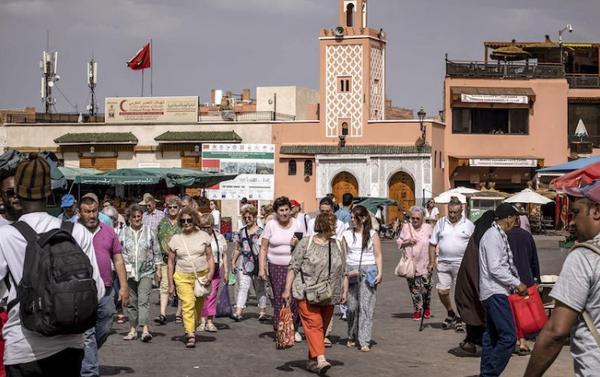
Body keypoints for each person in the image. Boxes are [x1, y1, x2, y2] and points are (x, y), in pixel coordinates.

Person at [0, 154, 105, 376]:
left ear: (18, 192)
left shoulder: (5, 235)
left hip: (23, 347)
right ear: (49, 191)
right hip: (71, 345)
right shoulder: (76, 231)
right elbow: (98, 290)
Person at [525, 184, 600, 377]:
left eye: (576, 212)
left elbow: (556, 331)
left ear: (597, 211)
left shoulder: (584, 257)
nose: (572, 221)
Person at [282, 212, 347, 374]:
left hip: (329, 294)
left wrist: (344, 290)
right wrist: (287, 289)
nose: (336, 226)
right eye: (333, 223)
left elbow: (343, 270)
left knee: (321, 328)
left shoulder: (338, 245)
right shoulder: (306, 243)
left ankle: (312, 361)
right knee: (314, 324)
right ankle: (321, 358)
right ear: (324, 224)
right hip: (305, 292)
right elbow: (293, 266)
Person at [78, 193, 129, 377]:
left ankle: (83, 355)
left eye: (94, 211)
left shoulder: (108, 232)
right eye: (87, 212)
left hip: (106, 289)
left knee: (106, 326)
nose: (91, 215)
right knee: (87, 333)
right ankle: (89, 371)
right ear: (79, 212)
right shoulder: (73, 231)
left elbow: (118, 259)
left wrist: (123, 287)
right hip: (81, 292)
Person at [478, 203, 527, 377]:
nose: (515, 222)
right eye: (514, 218)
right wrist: (516, 282)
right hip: (494, 291)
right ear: (507, 218)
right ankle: (489, 374)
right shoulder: (493, 236)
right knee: (508, 337)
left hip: (496, 291)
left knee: (491, 337)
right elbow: (495, 268)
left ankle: (486, 371)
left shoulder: (499, 235)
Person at [167, 207, 215, 348]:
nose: (186, 223)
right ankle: (190, 334)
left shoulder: (203, 236)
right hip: (182, 276)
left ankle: (192, 325)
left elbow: (210, 257)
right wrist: (170, 284)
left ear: (194, 220)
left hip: (201, 276)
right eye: (183, 221)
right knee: (188, 303)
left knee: (198, 305)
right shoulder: (175, 239)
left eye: (189, 220)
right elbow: (170, 262)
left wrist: (211, 274)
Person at [428, 197, 475, 332]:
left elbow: (474, 245)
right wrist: (431, 262)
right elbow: (432, 244)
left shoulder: (469, 225)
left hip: (461, 263)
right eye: (450, 212)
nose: (452, 215)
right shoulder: (441, 223)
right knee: (442, 291)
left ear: (461, 211)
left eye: (455, 212)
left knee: (460, 293)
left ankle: (460, 317)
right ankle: (451, 313)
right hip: (443, 262)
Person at [259, 196, 302, 341]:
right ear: (276, 212)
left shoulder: (297, 223)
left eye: (286, 210)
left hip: (294, 266)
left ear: (290, 210)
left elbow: (305, 244)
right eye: (281, 210)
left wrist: (297, 243)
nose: (284, 213)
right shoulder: (271, 225)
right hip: (275, 266)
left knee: (294, 297)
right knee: (279, 297)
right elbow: (263, 248)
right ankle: (280, 328)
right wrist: (261, 268)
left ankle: (294, 328)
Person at [455, 210, 496, 355]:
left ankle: (471, 341)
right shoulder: (486, 239)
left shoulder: (475, 237)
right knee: (482, 313)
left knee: (473, 312)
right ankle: (481, 344)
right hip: (478, 282)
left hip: (467, 283)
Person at [343, 205, 383, 352]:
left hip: (369, 270)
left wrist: (380, 272)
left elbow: (378, 254)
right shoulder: (347, 234)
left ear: (364, 218)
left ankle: (364, 340)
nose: (352, 220)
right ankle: (351, 334)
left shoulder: (373, 234)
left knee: (366, 307)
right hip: (351, 270)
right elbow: (343, 255)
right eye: (351, 217)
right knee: (352, 307)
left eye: (355, 218)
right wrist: (343, 275)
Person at [120, 204, 161, 342]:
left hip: (146, 271)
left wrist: (158, 268)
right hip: (129, 272)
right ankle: (132, 329)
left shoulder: (149, 231)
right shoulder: (123, 232)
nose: (137, 219)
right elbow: (120, 252)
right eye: (134, 217)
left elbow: (156, 250)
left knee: (143, 300)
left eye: (139, 216)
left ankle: (145, 329)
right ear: (129, 218)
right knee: (132, 301)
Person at [507, 220, 540, 356]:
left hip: (510, 279)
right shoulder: (527, 235)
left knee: (514, 312)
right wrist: (536, 277)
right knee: (524, 312)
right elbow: (534, 259)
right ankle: (523, 340)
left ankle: (519, 341)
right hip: (526, 278)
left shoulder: (504, 235)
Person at [397, 206, 433, 320]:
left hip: (426, 263)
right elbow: (399, 241)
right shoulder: (406, 227)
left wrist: (434, 260)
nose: (415, 220)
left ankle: (426, 308)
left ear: (422, 219)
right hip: (411, 264)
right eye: (413, 218)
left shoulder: (428, 227)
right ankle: (417, 310)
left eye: (418, 218)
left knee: (427, 288)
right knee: (414, 290)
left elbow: (434, 243)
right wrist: (407, 242)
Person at [231, 205, 267, 321]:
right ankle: (238, 312)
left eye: (249, 217)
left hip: (258, 263)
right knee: (243, 287)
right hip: (245, 263)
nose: (247, 220)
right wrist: (233, 262)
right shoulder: (241, 232)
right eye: (245, 218)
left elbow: (265, 249)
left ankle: (262, 310)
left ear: (254, 217)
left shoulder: (262, 232)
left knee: (259, 288)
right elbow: (237, 248)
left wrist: (264, 266)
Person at [155, 196, 183, 325]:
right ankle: (162, 313)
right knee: (164, 285)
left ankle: (179, 313)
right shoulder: (162, 223)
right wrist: (158, 264)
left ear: (179, 208)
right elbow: (157, 242)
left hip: (181, 260)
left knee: (181, 286)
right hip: (166, 259)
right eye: (169, 207)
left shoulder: (184, 222)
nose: (172, 209)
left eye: (174, 207)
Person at [199, 213, 229, 332]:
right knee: (202, 296)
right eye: (202, 227)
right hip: (202, 269)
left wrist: (226, 271)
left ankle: (210, 321)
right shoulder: (198, 236)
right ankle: (202, 320)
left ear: (212, 225)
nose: (205, 230)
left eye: (207, 227)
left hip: (215, 269)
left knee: (211, 296)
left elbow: (224, 255)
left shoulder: (219, 237)